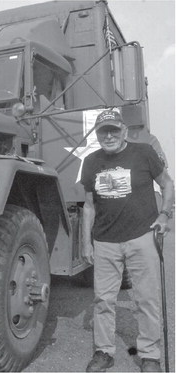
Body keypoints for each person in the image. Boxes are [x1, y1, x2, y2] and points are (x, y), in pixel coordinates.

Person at [80, 109, 174, 372]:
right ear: (97, 135)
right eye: (102, 132)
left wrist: (165, 215)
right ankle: (104, 352)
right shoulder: (90, 162)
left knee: (146, 300)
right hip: (105, 242)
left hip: (142, 237)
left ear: (123, 129)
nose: (108, 135)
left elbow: (167, 184)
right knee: (103, 300)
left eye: (112, 130)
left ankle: (150, 355)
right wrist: (86, 243)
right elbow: (88, 206)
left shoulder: (143, 152)